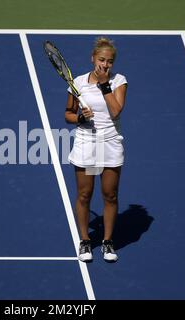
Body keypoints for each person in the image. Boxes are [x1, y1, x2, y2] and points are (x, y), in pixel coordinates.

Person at [65, 37, 127, 262]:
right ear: (93, 58)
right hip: (88, 144)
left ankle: (108, 242)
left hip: (110, 144)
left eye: (109, 61)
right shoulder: (78, 83)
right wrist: (80, 117)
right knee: (85, 194)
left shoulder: (119, 81)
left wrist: (103, 85)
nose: (105, 65)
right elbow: (68, 114)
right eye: (101, 59)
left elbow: (116, 111)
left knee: (110, 195)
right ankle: (85, 241)